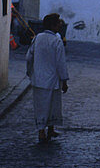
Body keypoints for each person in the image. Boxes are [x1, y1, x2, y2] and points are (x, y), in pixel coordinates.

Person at [25, 12, 69, 144]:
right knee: (53, 105)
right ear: (53, 25)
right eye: (58, 23)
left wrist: (30, 72)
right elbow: (61, 63)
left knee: (41, 106)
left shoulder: (37, 38)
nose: (60, 25)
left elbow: (29, 57)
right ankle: (49, 129)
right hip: (53, 80)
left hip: (38, 79)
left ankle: (43, 131)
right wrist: (64, 80)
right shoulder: (57, 41)